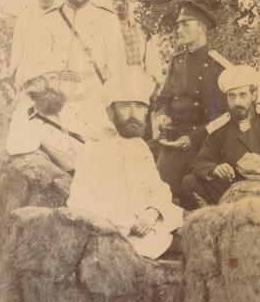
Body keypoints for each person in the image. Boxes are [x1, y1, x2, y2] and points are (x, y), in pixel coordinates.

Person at [67, 67, 183, 260]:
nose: (133, 114)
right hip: (119, 233)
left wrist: (152, 212)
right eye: (124, 106)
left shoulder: (140, 146)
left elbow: (157, 187)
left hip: (151, 224)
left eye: (139, 107)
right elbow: (81, 200)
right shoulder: (94, 148)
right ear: (110, 112)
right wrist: (128, 223)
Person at [29, 0, 127, 140]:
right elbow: (37, 69)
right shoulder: (47, 21)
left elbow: (117, 72)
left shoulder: (107, 19)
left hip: (97, 110)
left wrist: (111, 107)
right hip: (57, 113)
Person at [182, 65, 260, 206]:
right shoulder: (221, 127)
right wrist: (215, 169)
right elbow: (201, 161)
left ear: (253, 96)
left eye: (242, 95)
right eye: (232, 96)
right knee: (190, 181)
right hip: (233, 191)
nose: (237, 102)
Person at [152, 0, 231, 202]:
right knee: (159, 193)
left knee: (195, 196)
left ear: (202, 28)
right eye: (179, 25)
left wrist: (194, 138)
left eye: (186, 24)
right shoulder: (176, 62)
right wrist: (162, 116)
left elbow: (225, 115)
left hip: (205, 143)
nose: (179, 30)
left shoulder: (218, 66)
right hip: (175, 141)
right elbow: (163, 100)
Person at [5, 58, 86, 174]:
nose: (55, 84)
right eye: (51, 78)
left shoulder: (55, 104)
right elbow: (15, 146)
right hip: (74, 172)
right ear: (37, 83)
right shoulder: (26, 112)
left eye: (55, 78)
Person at [6, 0, 59, 90]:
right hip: (27, 79)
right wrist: (14, 75)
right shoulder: (24, 19)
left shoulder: (62, 19)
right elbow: (17, 52)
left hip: (52, 82)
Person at [110, 0, 164, 86]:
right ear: (109, 0)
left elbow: (154, 70)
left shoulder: (142, 32)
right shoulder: (102, 31)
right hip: (110, 90)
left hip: (138, 90)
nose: (119, 3)